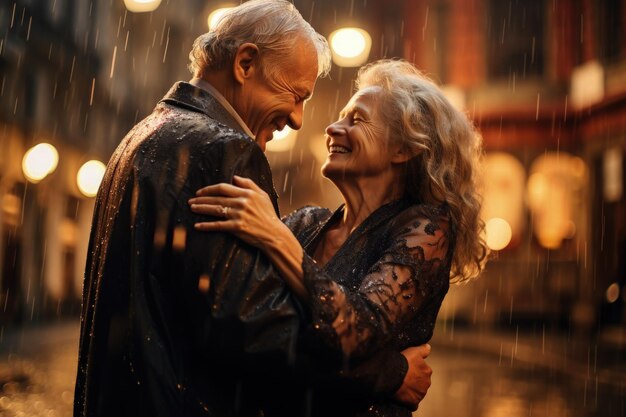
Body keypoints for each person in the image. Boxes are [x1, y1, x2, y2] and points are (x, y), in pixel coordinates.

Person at [74, 2, 431, 416]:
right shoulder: (224, 149)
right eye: (296, 95)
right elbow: (254, 328)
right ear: (245, 63)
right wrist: (389, 373)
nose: (298, 120)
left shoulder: (140, 137)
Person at [189, 59, 490, 416]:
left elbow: (358, 331)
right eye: (341, 116)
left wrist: (275, 238)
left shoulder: (426, 229)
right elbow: (256, 326)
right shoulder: (305, 224)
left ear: (403, 149)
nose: (332, 127)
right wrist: (392, 373)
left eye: (357, 119)